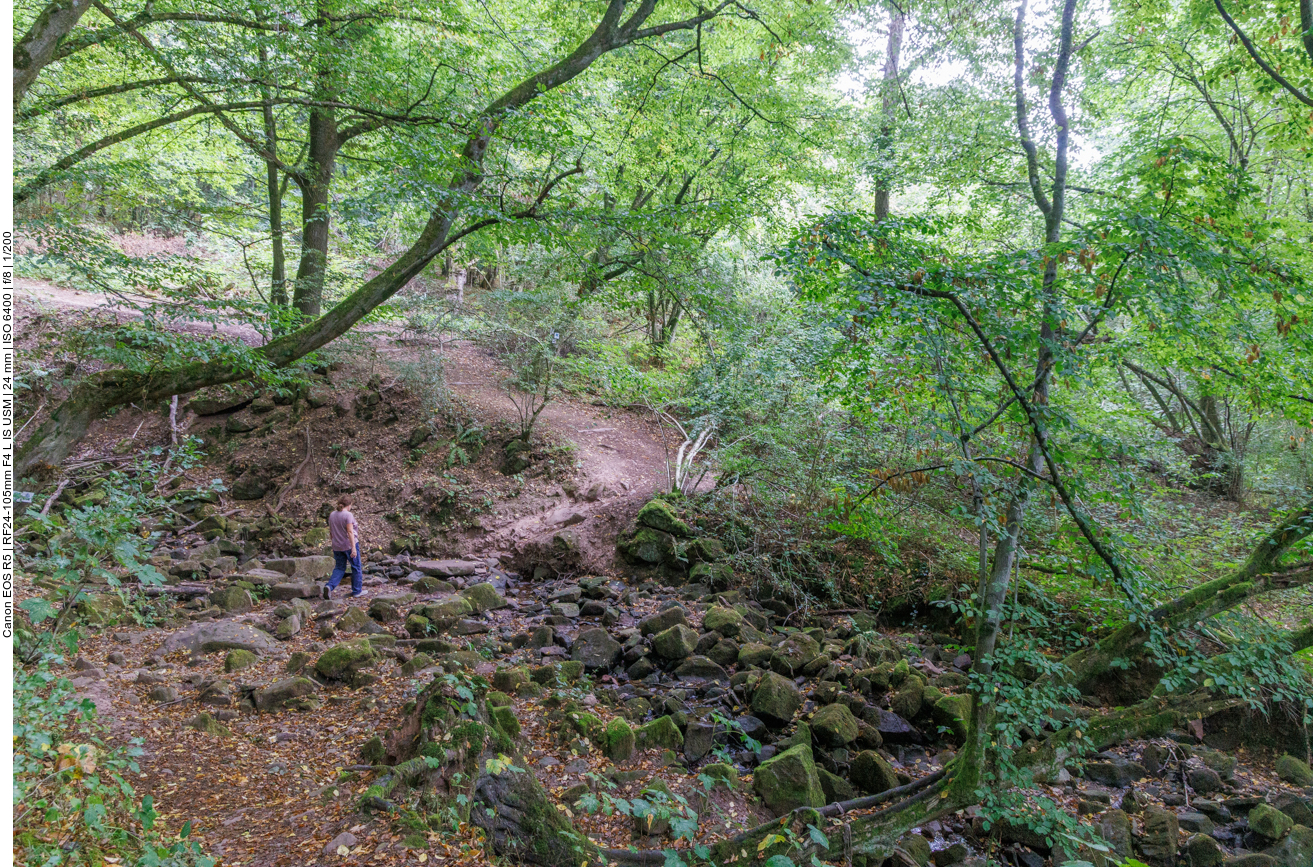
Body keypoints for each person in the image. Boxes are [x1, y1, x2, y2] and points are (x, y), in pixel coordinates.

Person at [324, 495, 364, 598]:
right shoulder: (348, 515)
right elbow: (350, 531)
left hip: (337, 545)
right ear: (349, 505)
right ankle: (357, 591)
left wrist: (333, 543)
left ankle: (329, 586)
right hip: (349, 545)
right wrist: (353, 548)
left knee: (339, 568)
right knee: (356, 567)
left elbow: (331, 531)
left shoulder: (332, 515)